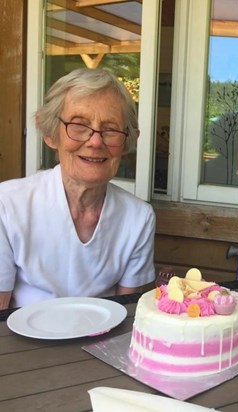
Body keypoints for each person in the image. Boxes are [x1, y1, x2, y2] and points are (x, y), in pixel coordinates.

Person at [0, 68, 156, 309]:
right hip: (24, 344)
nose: (95, 142)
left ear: (127, 141)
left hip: (99, 342)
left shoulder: (138, 218)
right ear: (50, 134)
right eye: (79, 125)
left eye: (110, 129)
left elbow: (127, 312)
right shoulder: (8, 205)